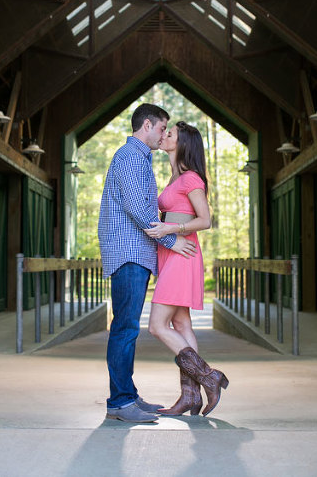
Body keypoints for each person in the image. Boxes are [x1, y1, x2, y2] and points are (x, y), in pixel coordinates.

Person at [98, 103, 198, 424]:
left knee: (127, 328)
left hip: (137, 253)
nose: (162, 135)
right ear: (147, 126)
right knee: (124, 328)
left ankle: (127, 395)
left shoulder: (139, 159)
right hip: (129, 254)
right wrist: (172, 240)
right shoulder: (129, 158)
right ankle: (121, 401)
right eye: (161, 128)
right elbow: (138, 209)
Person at [145, 121, 229, 416]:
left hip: (183, 254)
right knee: (181, 325)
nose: (164, 135)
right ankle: (190, 397)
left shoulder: (191, 178)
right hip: (172, 254)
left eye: (171, 134)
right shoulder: (174, 179)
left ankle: (209, 377)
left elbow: (204, 220)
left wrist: (173, 228)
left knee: (156, 325)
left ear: (183, 145)